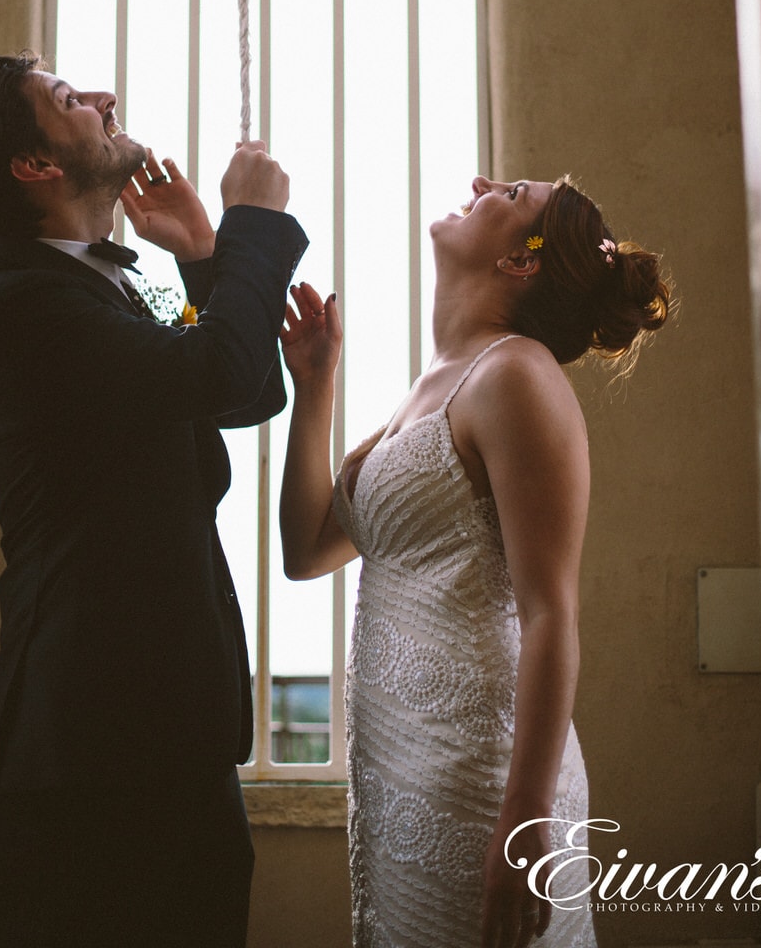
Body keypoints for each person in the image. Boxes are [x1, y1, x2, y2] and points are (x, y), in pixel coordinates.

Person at [0, 52, 307, 948]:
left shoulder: (104, 284)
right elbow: (221, 370)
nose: (101, 98)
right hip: (86, 753)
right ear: (36, 166)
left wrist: (205, 255)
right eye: (66, 99)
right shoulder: (22, 305)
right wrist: (254, 224)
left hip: (162, 735)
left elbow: (242, 396)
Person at [279, 174, 671, 948]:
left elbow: (550, 612)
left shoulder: (517, 375)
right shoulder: (429, 390)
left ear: (522, 263)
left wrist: (524, 822)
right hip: (403, 772)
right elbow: (305, 551)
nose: (482, 183)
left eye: (512, 192)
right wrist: (315, 384)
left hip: (485, 781)